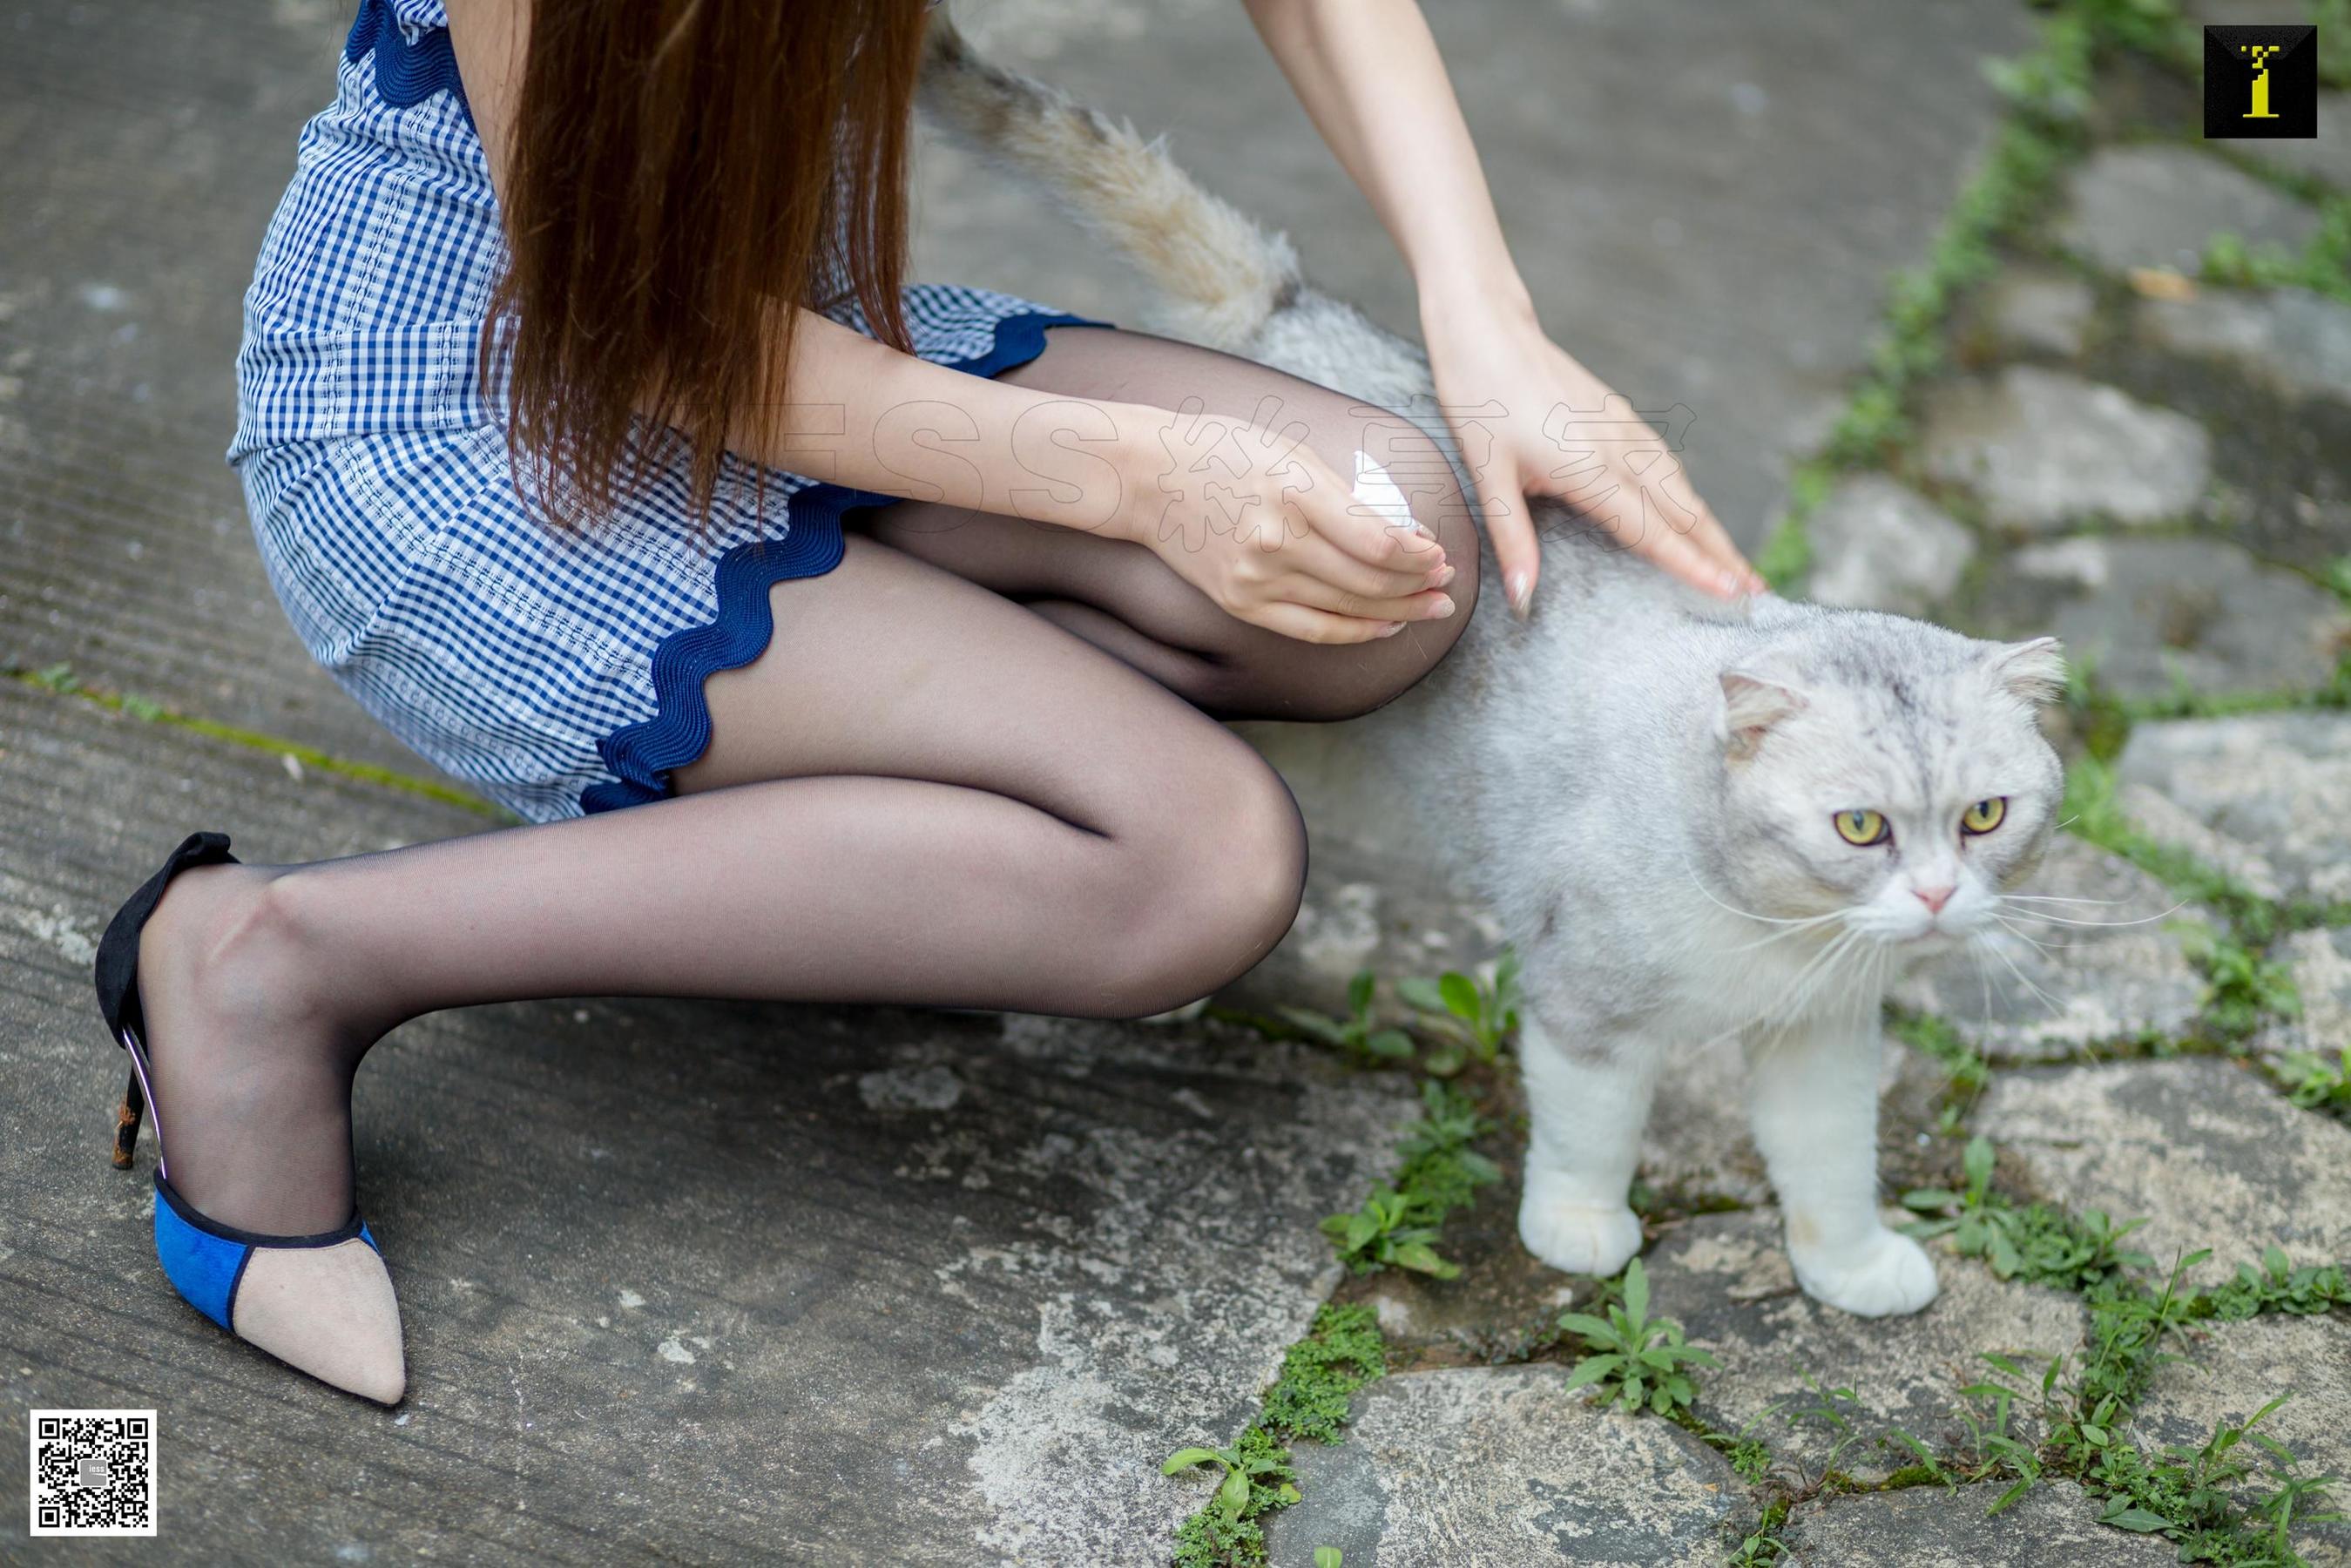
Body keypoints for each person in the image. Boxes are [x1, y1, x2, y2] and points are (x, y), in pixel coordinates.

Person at [91, 0, 1762, 1404]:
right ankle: (266, 961)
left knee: (1393, 545)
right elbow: (640, 346)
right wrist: (1137, 476)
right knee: (1192, 865)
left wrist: (1487, 323)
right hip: (480, 421)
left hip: (784, 356)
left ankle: (883, 845)